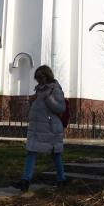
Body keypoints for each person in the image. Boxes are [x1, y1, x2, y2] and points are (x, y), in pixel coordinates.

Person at [11, 64, 67, 192]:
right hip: (37, 128)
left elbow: (60, 108)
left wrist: (48, 98)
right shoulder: (39, 90)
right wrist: (31, 102)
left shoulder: (55, 90)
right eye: (37, 78)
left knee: (55, 154)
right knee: (31, 151)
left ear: (47, 76)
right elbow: (37, 110)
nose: (39, 80)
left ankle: (61, 179)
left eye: (41, 77)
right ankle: (25, 180)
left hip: (51, 128)